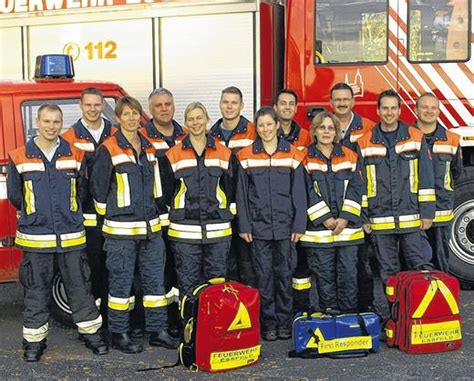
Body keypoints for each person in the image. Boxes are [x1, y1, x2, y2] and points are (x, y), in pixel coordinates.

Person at [7, 104, 108, 362]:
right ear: (37, 123)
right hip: (36, 237)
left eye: (56, 122)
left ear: (61, 124)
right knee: (36, 290)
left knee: (80, 287)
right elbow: (17, 196)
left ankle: (91, 335)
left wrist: (69, 213)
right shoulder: (19, 156)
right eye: (47, 121)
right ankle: (34, 343)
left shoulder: (74, 154)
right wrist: (35, 213)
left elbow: (81, 191)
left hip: (71, 235)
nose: (51, 126)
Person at [91, 96, 177, 353]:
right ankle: (119, 333)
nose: (130, 118)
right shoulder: (108, 149)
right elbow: (98, 190)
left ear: (141, 117)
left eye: (134, 113)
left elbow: (158, 188)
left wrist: (159, 219)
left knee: (155, 284)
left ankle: (158, 330)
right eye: (125, 114)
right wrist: (115, 218)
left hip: (151, 230)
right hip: (121, 232)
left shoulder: (149, 148)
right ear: (117, 118)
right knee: (120, 285)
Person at [236, 107, 307, 341]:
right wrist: (244, 225)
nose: (265, 129)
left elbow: (299, 194)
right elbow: (241, 196)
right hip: (259, 228)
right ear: (257, 128)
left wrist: (299, 225)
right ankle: (268, 324)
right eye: (261, 125)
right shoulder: (245, 156)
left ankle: (285, 322)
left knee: (284, 275)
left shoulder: (293, 155)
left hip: (286, 228)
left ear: (277, 125)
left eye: (269, 124)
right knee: (263, 277)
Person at [357, 90, 436, 292]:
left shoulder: (416, 137)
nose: (389, 112)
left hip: (411, 217)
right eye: (385, 108)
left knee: (419, 268)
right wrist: (364, 217)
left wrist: (427, 213)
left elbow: (426, 179)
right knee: (388, 273)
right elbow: (362, 184)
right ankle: (396, 317)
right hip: (379, 218)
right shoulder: (364, 142)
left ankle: (419, 317)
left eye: (393, 108)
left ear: (400, 110)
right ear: (378, 110)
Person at [165, 102, 234, 297]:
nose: (195, 123)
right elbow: (168, 191)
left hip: (217, 230)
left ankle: (214, 327)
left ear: (207, 120)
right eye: (191, 119)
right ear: (185, 123)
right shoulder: (173, 154)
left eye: (199, 118)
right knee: (188, 283)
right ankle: (189, 325)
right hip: (184, 232)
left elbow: (230, 188)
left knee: (218, 284)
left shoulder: (224, 152)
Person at [300, 111, 364, 313]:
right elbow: (305, 190)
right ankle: (330, 315)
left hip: (348, 230)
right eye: (322, 127)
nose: (326, 132)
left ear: (337, 132)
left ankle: (348, 316)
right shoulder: (304, 158)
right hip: (318, 231)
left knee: (348, 274)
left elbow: (358, 187)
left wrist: (345, 218)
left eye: (331, 128)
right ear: (315, 131)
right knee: (324, 274)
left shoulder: (351, 156)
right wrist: (325, 218)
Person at [62, 88, 117, 318]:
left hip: (115, 214)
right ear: (80, 105)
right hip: (86, 216)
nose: (93, 109)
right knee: (91, 268)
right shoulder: (68, 138)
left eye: (97, 105)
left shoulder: (115, 133)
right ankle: (94, 319)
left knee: (114, 269)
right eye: (88, 105)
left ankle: (113, 317)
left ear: (103, 105)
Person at [140, 88, 187, 336]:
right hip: (156, 217)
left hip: (182, 217)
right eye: (158, 105)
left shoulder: (185, 135)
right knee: (160, 271)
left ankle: (179, 320)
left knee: (182, 270)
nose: (164, 108)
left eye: (168, 103)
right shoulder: (142, 137)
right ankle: (161, 323)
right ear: (150, 109)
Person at [329, 82, 376, 312]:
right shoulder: (325, 126)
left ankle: (365, 308)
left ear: (353, 101)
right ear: (331, 102)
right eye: (337, 99)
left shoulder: (367, 127)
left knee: (362, 262)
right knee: (333, 265)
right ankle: (337, 311)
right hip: (331, 208)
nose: (341, 103)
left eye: (345, 99)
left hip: (359, 205)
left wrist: (365, 215)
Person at [209, 86, 257, 286]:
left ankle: (250, 308)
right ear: (220, 104)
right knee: (224, 261)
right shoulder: (211, 135)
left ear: (242, 106)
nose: (229, 107)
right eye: (225, 102)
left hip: (248, 206)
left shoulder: (254, 132)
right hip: (220, 208)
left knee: (248, 263)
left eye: (234, 102)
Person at [273, 88, 313, 312]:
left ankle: (301, 308)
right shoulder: (267, 134)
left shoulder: (306, 136)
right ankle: (282, 308)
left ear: (296, 109)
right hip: (277, 208)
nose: (287, 107)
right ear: (276, 107)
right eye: (283, 103)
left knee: (301, 264)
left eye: (291, 104)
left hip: (300, 207)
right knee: (278, 263)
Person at [415, 92, 462, 272]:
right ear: (416, 110)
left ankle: (442, 299)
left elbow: (456, 172)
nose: (429, 111)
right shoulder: (405, 137)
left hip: (441, 212)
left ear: (439, 111)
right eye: (424, 107)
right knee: (415, 265)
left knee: (441, 264)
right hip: (413, 212)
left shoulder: (452, 139)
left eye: (433, 107)